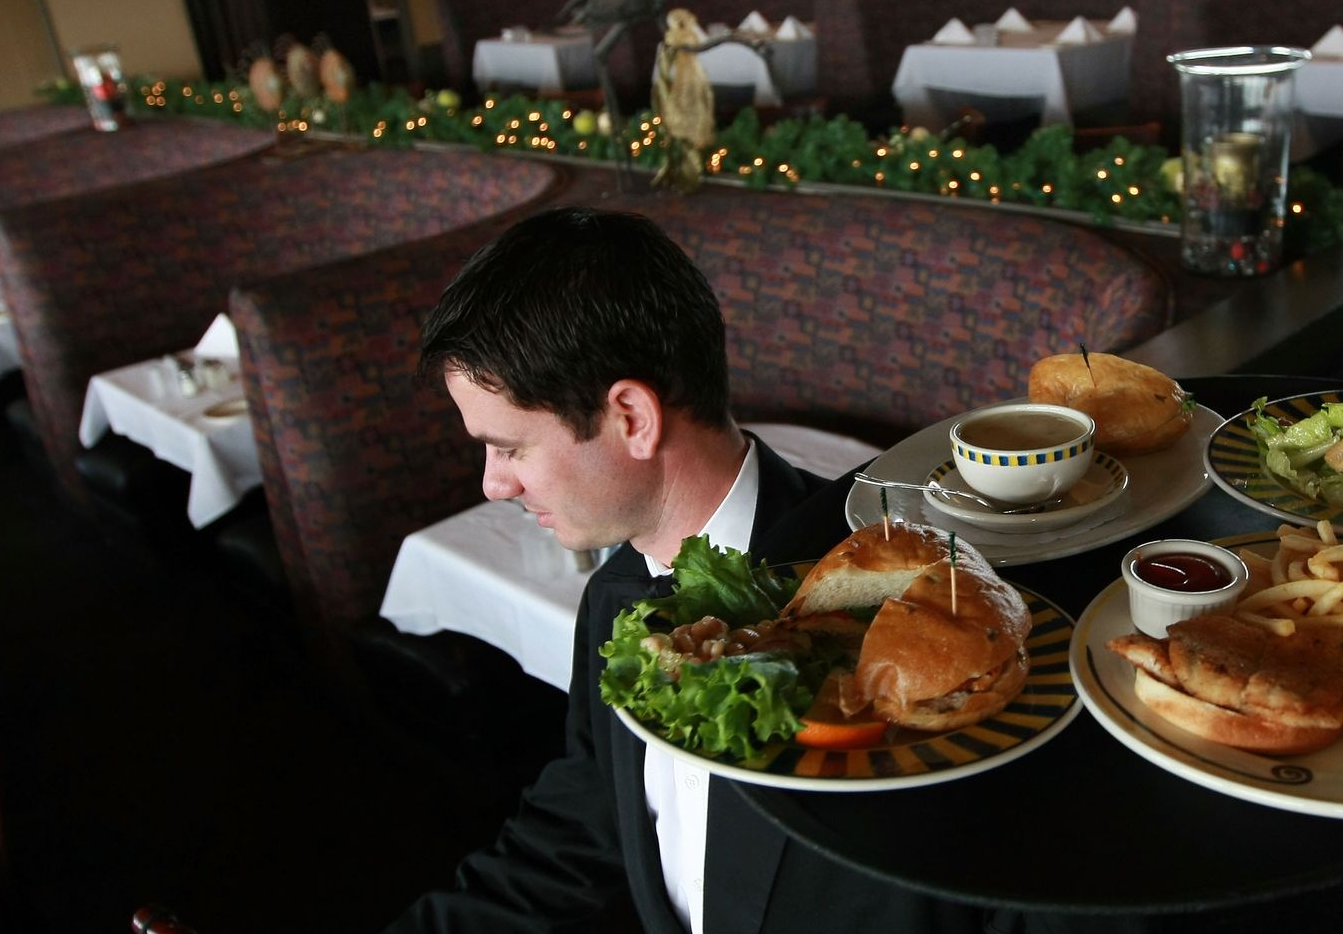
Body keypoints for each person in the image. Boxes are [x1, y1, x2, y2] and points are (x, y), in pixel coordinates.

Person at [383, 208, 985, 934]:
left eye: (509, 447)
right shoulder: (614, 597)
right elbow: (581, 831)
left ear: (632, 417)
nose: (493, 484)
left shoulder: (901, 625)